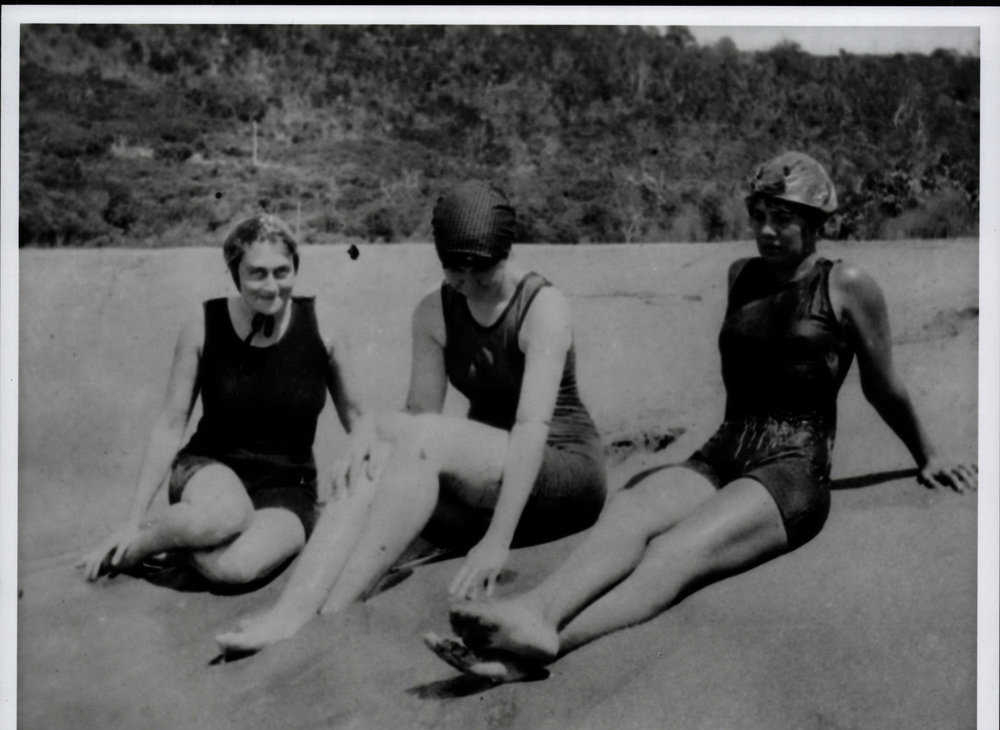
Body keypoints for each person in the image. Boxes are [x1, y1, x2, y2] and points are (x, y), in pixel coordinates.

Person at [430, 152, 978, 681]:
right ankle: (535, 610)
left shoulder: (848, 284)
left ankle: (547, 644)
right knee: (632, 509)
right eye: (759, 216)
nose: (766, 230)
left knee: (676, 551)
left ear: (816, 222)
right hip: (725, 449)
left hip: (791, 470)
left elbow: (884, 386)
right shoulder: (741, 275)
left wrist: (928, 455)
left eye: (783, 218)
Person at [214, 180, 608, 654]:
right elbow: (420, 413)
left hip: (560, 476)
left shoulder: (543, 308)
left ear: (507, 252)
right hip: (484, 482)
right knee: (377, 451)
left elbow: (529, 430)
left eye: (484, 270)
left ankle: (334, 609)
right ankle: (292, 611)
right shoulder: (434, 310)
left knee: (418, 438)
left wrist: (496, 542)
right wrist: (366, 436)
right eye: (456, 270)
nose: (470, 282)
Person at [80, 214, 374, 585]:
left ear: (295, 269)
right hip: (208, 470)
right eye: (257, 273)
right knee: (224, 518)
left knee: (238, 568)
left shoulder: (323, 323)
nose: (271, 287)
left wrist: (358, 470)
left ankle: (185, 540)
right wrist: (133, 521)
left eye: (282, 272)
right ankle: (138, 547)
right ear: (235, 273)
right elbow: (171, 424)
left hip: (288, 486)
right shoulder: (204, 323)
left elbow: (360, 418)